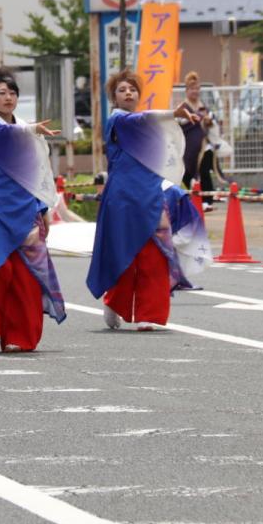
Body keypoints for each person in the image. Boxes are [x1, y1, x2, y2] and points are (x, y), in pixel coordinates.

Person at [87, 70, 209, 331]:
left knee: (154, 254)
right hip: (121, 197)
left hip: (150, 194)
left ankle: (148, 313)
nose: (128, 93)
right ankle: (114, 302)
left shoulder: (149, 126)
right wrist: (172, 114)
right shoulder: (118, 120)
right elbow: (142, 120)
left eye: (132, 89)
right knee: (124, 254)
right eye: (122, 90)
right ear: (114, 98)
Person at [0, 70, 66, 352]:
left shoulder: (24, 128)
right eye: (2, 93)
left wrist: (42, 207)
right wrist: (31, 130)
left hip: (24, 209)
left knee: (27, 276)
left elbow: (38, 173)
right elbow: (2, 136)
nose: (8, 98)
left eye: (13, 92)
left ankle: (20, 336)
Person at [177, 72, 216, 212]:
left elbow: (213, 121)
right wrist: (194, 118)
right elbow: (179, 123)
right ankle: (185, 198)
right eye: (192, 88)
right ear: (186, 90)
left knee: (205, 171)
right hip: (188, 146)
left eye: (197, 88)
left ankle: (207, 200)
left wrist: (208, 120)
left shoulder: (203, 106)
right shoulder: (183, 107)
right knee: (187, 172)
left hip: (204, 145)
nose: (195, 91)